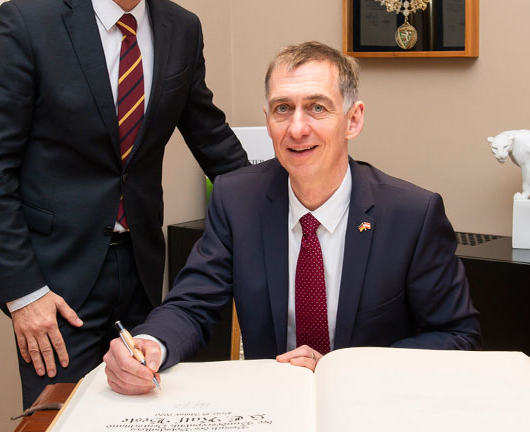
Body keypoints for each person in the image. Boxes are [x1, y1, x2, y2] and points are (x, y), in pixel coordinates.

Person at [0, 0, 247, 408]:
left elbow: (213, 142)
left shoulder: (181, 29)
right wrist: (23, 294)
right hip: (55, 286)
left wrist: (294, 200)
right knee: (64, 415)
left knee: (146, 412)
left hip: (144, 274)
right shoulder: (29, 23)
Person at [104, 41, 480, 395]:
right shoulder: (237, 200)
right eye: (283, 109)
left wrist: (341, 369)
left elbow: (457, 334)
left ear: (353, 119)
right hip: (271, 406)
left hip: (371, 405)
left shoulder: (411, 214)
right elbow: (192, 304)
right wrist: (150, 344)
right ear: (268, 120)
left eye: (317, 107)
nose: (297, 129)